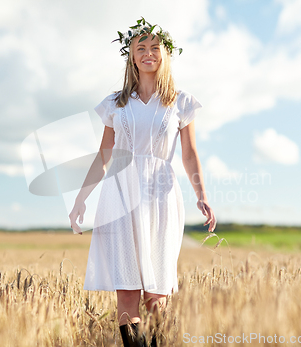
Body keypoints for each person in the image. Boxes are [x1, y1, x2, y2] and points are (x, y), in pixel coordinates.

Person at [69, 17, 216, 347]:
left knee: (157, 292)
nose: (148, 53)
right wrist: (81, 199)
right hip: (119, 195)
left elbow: (190, 154)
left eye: (155, 47)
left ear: (165, 54)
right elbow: (104, 154)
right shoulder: (115, 103)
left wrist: (201, 194)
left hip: (161, 195)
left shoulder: (180, 101)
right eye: (141, 48)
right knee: (127, 290)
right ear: (131, 56)